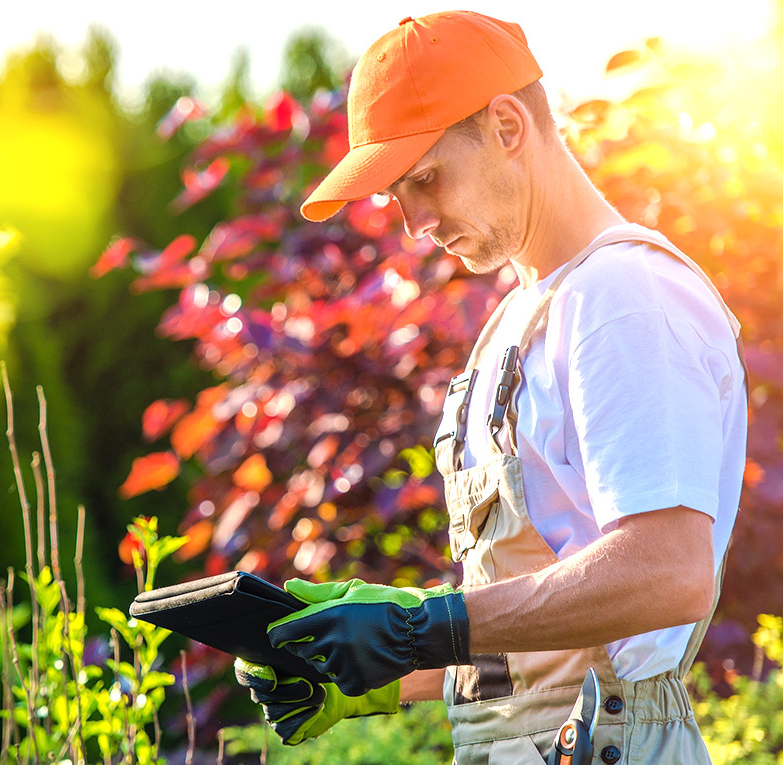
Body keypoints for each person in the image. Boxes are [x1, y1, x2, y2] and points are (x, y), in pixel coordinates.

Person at [233, 10, 747, 765]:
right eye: (395, 197)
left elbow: (667, 572)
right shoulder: (515, 320)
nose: (412, 222)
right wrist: (379, 668)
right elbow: (534, 645)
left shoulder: (622, 296)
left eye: (424, 179)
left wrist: (422, 624)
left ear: (508, 125)